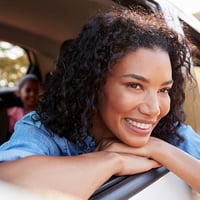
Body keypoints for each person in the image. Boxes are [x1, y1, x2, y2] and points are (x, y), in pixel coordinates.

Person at [0, 6, 200, 200]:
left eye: (163, 90)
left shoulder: (170, 131)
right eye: (135, 85)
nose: (154, 109)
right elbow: (7, 184)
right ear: (93, 83)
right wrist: (112, 160)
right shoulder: (46, 130)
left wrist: (158, 149)